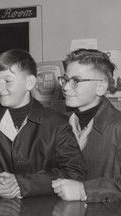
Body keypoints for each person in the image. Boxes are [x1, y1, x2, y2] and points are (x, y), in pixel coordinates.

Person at [0, 49, 86, 199]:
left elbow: (75, 172)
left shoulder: (57, 123)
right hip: (2, 207)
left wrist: (25, 183)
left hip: (46, 207)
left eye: (7, 81)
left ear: (30, 83)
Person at [52, 48, 121, 203]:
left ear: (101, 87)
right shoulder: (59, 122)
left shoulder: (118, 127)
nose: (66, 87)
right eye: (65, 79)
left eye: (75, 81)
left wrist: (84, 190)